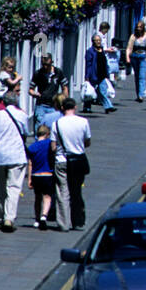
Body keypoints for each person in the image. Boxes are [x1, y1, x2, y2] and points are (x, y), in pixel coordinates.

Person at [0, 88, 30, 232]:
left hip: (0, 153)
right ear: (17, 102)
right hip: (17, 154)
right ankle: (9, 218)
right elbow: (26, 133)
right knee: (13, 188)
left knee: (0, 186)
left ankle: (1, 216)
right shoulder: (22, 115)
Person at [50, 97, 92, 231]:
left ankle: (63, 223)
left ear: (62, 108)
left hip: (62, 160)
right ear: (74, 107)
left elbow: (53, 147)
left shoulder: (56, 124)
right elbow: (87, 142)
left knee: (63, 192)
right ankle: (77, 219)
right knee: (76, 190)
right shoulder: (83, 122)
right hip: (78, 161)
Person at [26, 123, 55, 230]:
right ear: (47, 134)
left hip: (36, 175)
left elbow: (30, 164)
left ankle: (37, 220)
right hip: (47, 174)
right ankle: (44, 216)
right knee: (47, 196)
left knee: (37, 198)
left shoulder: (32, 147)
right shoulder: (49, 144)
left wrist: (29, 179)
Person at [28, 54, 68, 129]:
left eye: (47, 64)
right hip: (41, 105)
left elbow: (64, 87)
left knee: (54, 127)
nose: (45, 67)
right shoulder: (38, 73)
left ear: (51, 62)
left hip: (54, 106)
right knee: (39, 127)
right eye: (43, 64)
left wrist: (64, 101)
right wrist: (35, 94)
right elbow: (30, 89)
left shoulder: (58, 72)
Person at [126, 19, 146, 102]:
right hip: (135, 57)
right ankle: (138, 93)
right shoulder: (133, 36)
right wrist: (127, 58)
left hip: (145, 58)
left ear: (143, 28)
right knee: (137, 76)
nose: (138, 29)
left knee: (142, 76)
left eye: (140, 27)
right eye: (137, 27)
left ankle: (141, 95)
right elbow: (129, 47)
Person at [85, 34, 115, 112]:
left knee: (103, 91)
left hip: (102, 74)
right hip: (93, 74)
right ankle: (87, 107)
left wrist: (107, 73)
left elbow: (105, 62)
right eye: (96, 40)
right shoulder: (90, 51)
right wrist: (87, 75)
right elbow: (88, 64)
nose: (98, 42)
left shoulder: (102, 50)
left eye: (99, 40)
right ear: (93, 41)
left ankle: (108, 106)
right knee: (90, 91)